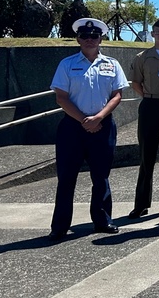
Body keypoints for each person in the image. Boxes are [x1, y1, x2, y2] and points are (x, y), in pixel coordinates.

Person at [48, 18, 128, 238]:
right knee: (66, 178)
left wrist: (98, 118)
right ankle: (59, 226)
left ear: (101, 38)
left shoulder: (112, 64)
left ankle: (103, 221)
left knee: (101, 176)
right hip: (72, 127)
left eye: (94, 36)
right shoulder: (67, 64)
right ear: (78, 39)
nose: (90, 40)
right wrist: (85, 119)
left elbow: (117, 95)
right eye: (85, 36)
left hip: (103, 126)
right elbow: (61, 98)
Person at [128, 16, 159, 218]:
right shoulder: (142, 57)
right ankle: (141, 203)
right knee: (147, 156)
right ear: (152, 34)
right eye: (157, 32)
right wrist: (148, 96)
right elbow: (136, 82)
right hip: (151, 105)